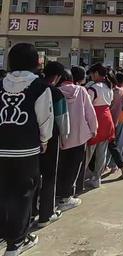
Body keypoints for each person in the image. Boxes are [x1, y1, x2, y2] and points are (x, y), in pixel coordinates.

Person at [0, 43, 53, 255]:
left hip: (1, 148)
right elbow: (45, 119)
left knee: (2, 192)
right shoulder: (40, 87)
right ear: (36, 62)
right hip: (26, 150)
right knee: (23, 194)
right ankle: (16, 243)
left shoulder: (1, 83)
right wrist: (45, 140)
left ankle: (5, 233)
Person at [57, 68, 97, 211]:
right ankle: (66, 197)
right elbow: (89, 112)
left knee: (59, 167)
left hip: (60, 137)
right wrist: (94, 129)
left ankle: (55, 194)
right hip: (79, 136)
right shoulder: (81, 91)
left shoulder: (55, 91)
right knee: (73, 167)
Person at [35, 61, 70, 228]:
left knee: (33, 176)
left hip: (30, 139)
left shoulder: (34, 87)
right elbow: (62, 118)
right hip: (51, 138)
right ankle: (46, 214)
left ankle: (32, 211)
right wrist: (65, 137)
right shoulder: (55, 92)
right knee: (49, 176)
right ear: (57, 77)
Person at [85, 64, 115, 189]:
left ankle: (80, 176)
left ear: (96, 73)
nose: (91, 77)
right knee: (101, 153)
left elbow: (86, 106)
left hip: (95, 120)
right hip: (107, 120)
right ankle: (97, 178)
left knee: (88, 152)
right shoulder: (109, 87)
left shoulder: (93, 89)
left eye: (92, 74)